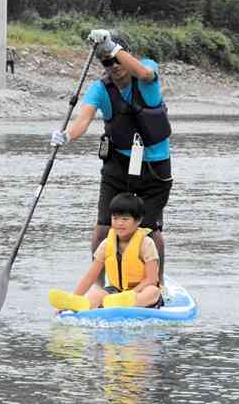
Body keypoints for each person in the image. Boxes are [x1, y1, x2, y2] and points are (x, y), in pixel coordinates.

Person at [50, 29, 172, 285]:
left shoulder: (146, 69)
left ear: (126, 54)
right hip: (118, 164)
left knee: (148, 231)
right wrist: (67, 136)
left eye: (116, 59)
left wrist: (112, 47)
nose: (113, 66)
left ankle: (156, 285)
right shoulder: (100, 89)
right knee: (104, 229)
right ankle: (105, 286)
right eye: (106, 62)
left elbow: (144, 73)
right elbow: (83, 119)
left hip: (154, 168)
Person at [48, 193, 162, 312]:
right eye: (115, 218)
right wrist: (75, 296)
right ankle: (74, 304)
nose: (119, 223)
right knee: (96, 294)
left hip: (139, 290)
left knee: (152, 292)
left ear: (138, 221)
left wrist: (131, 293)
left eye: (125, 219)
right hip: (116, 291)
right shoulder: (106, 244)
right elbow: (90, 277)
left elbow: (151, 279)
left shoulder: (146, 243)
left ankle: (125, 302)